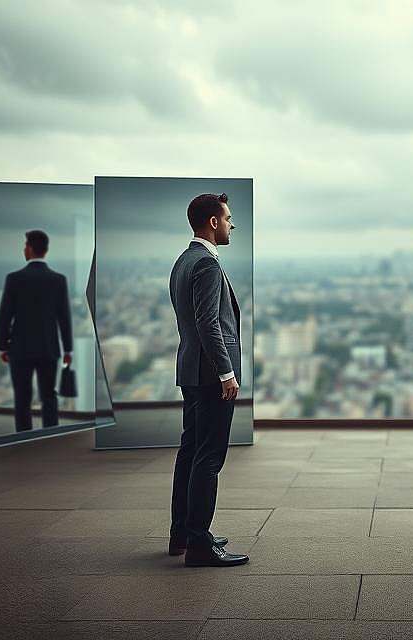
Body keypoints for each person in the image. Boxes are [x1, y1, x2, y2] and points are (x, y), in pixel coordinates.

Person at [168, 192, 248, 567]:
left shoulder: (183, 261)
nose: (232, 224)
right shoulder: (207, 265)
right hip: (210, 374)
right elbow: (208, 323)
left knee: (190, 451)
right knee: (209, 458)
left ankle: (182, 533)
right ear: (213, 222)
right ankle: (200, 544)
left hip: (190, 369)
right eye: (228, 218)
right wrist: (226, 372)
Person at [0, 230, 72, 432]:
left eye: (25, 245)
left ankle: (24, 436)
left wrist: (3, 346)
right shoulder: (58, 280)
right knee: (49, 395)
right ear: (46, 250)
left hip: (20, 349)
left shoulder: (14, 279)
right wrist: (68, 350)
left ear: (29, 248)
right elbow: (64, 318)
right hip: (49, 347)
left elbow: (5, 315)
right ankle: (50, 434)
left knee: (22, 398)